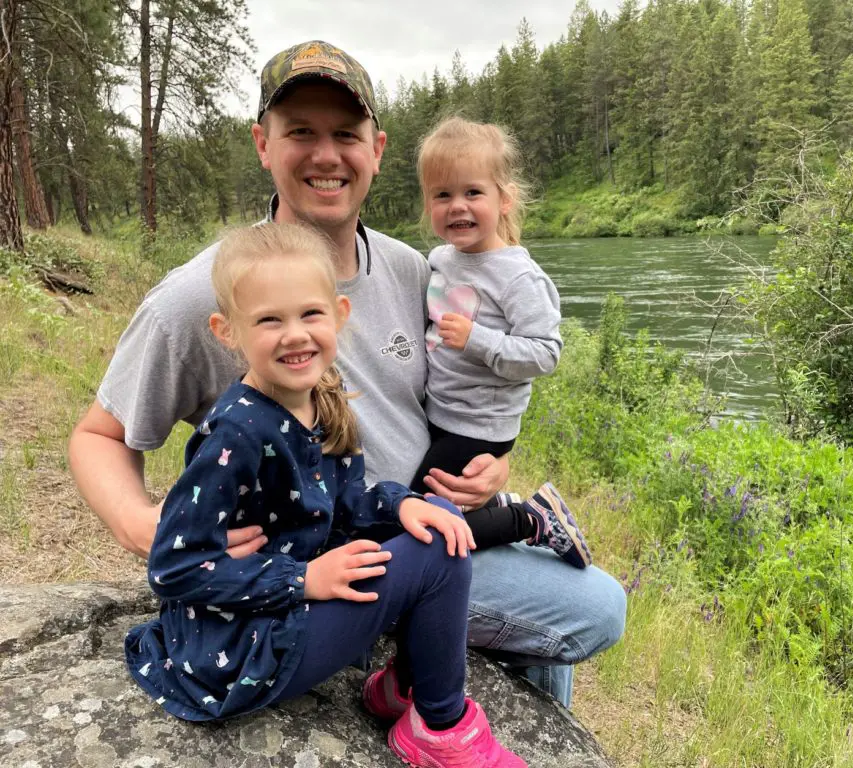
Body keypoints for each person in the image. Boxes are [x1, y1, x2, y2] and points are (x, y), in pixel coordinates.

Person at [68, 39, 626, 710]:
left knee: (558, 580)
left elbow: (458, 390)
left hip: (426, 513)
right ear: (263, 144)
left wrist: (490, 463)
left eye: (346, 134)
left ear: (378, 150)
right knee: (597, 607)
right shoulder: (205, 296)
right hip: (338, 557)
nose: (326, 155)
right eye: (301, 131)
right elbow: (99, 436)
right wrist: (143, 523)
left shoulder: (413, 270)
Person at [127, 222, 525, 766]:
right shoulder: (237, 433)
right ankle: (440, 730)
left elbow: (345, 501)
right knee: (439, 551)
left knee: (435, 516)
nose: (295, 335)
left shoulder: (321, 394)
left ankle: (401, 689)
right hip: (243, 648)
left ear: (339, 313)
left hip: (284, 612)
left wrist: (399, 503)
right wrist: (304, 579)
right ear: (228, 331)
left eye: (310, 314)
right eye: (269, 320)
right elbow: (172, 568)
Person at [408, 116, 592, 570]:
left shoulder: (518, 277)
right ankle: (494, 509)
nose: (457, 206)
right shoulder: (440, 260)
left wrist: (478, 340)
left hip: (479, 425)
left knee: (419, 524)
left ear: (504, 199)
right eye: (442, 195)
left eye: (473, 192)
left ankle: (529, 521)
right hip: (442, 413)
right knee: (432, 509)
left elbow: (545, 354)